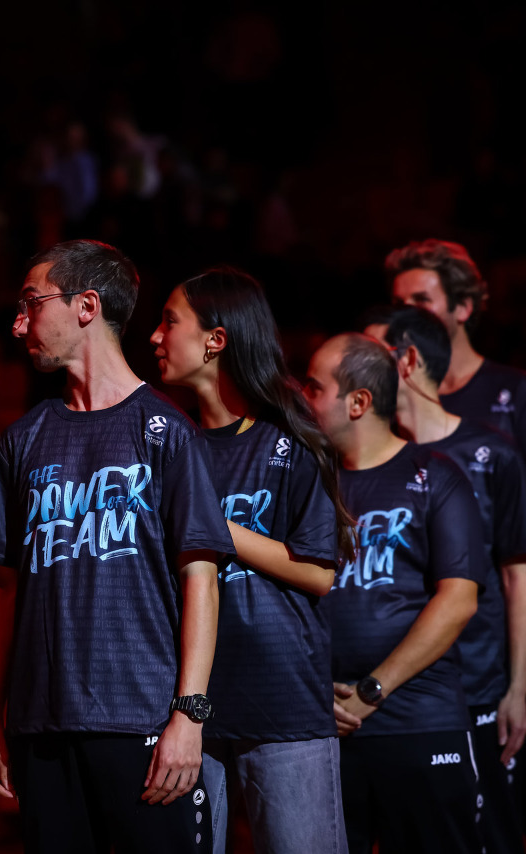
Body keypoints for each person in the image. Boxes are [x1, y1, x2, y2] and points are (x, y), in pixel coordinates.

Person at [0, 239, 233, 854]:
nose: (18, 324)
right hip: (42, 729)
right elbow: (2, 588)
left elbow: (201, 578)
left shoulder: (166, 432)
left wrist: (188, 716)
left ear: (86, 305)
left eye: (31, 303)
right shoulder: (19, 442)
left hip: (144, 722)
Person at [149, 266, 352, 854]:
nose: (155, 337)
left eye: (170, 322)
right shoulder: (169, 445)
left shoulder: (289, 439)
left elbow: (318, 572)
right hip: (186, 710)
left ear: (216, 339)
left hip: (282, 702)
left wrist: (213, 526)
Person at [388, 238, 526, 853]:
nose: (408, 313)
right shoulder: (397, 401)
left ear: (464, 307)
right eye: (400, 302)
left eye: (422, 299)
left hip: (520, 625)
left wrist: (477, 584)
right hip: (447, 640)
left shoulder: (517, 393)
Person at [303, 332, 484, 853]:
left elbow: (458, 600)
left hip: (419, 724)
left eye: (315, 388)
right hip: (324, 728)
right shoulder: (309, 483)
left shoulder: (437, 476)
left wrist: (371, 691)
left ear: (358, 402)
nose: (303, 399)